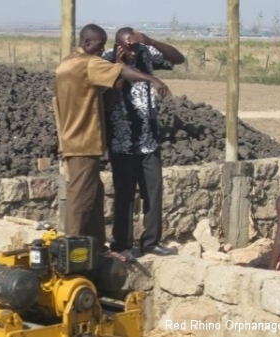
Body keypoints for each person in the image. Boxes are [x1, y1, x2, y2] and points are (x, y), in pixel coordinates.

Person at [53, 24, 170, 254]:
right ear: (87, 43)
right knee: (81, 200)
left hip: (76, 141)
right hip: (83, 142)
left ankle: (97, 249)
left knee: (94, 197)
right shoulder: (88, 62)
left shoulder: (67, 63)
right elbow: (123, 73)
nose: (102, 50)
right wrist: (152, 80)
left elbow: (107, 99)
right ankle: (70, 252)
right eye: (100, 45)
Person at [101, 27, 185, 258]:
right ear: (118, 46)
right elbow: (118, 81)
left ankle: (151, 242)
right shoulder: (108, 59)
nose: (134, 52)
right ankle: (122, 245)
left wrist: (151, 41)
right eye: (129, 48)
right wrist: (149, 78)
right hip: (122, 143)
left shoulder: (146, 52)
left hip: (149, 141)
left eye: (136, 46)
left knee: (154, 192)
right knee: (124, 196)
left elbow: (178, 58)